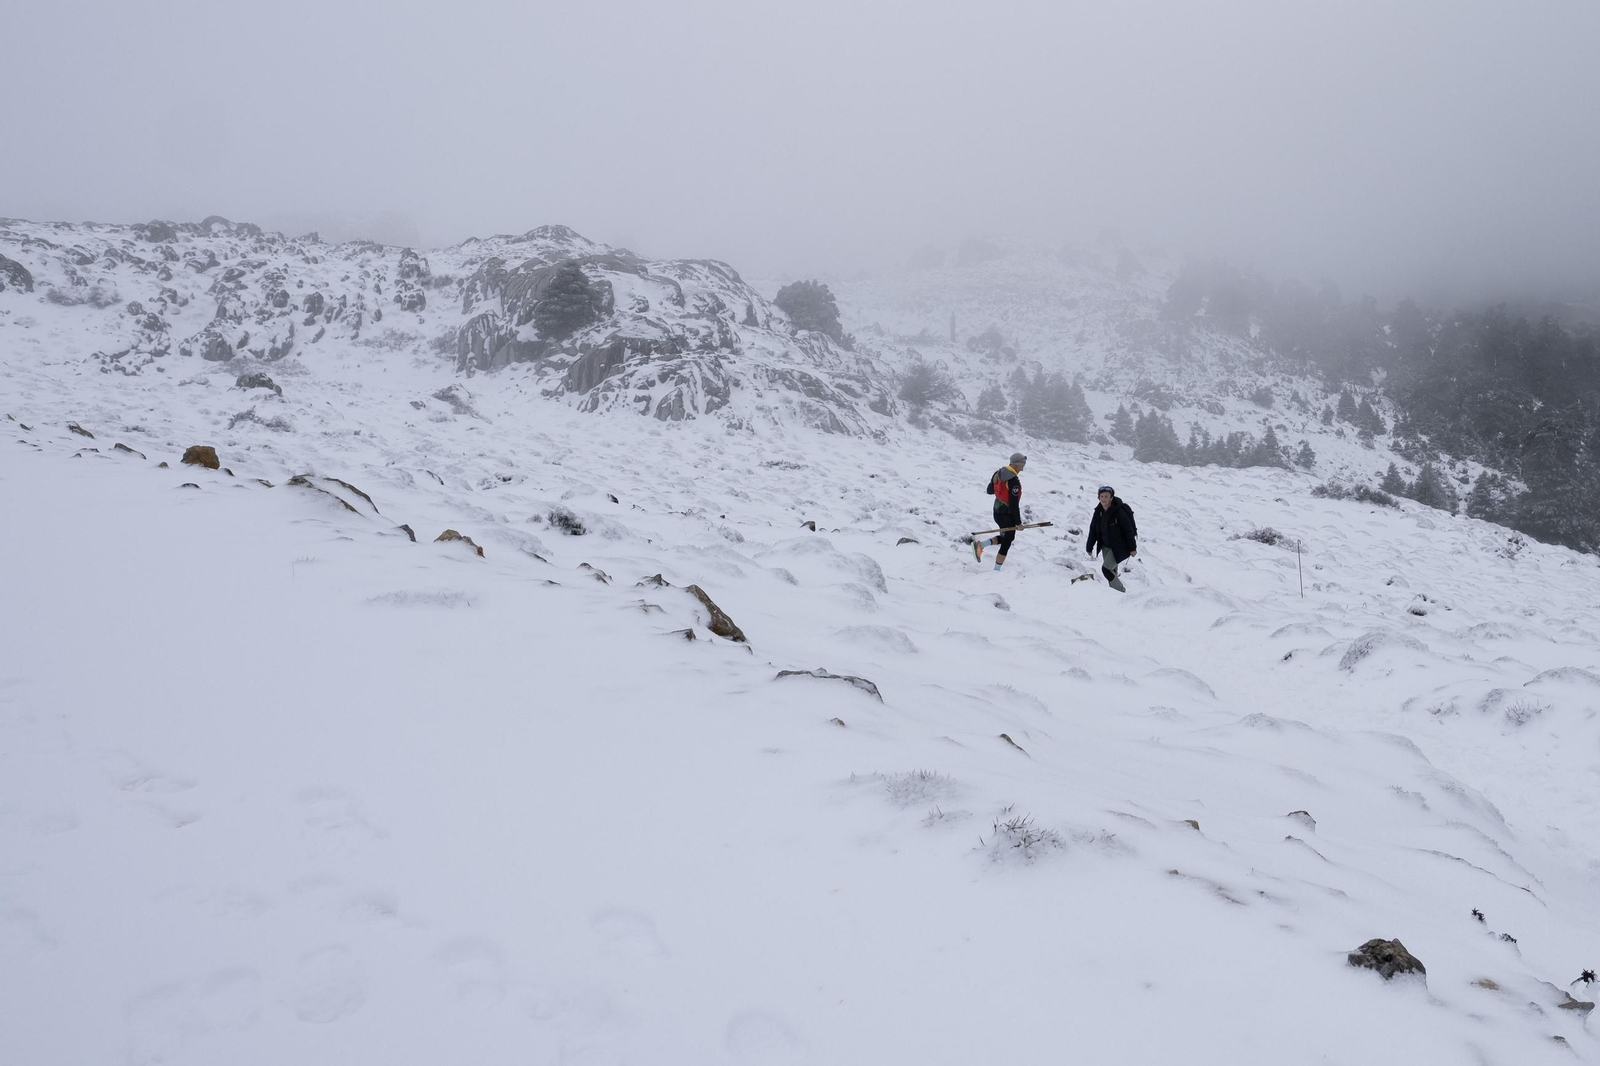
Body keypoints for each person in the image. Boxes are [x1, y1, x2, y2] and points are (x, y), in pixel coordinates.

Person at [974, 452, 1027, 571]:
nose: (1023, 468)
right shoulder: (1013, 481)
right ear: (1017, 465)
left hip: (997, 511)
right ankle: (996, 571)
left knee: (1007, 537)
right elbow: (1014, 504)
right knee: (1007, 542)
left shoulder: (998, 473)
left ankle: (980, 546)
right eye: (1022, 465)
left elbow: (989, 490)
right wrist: (1018, 523)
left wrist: (1000, 490)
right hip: (1007, 514)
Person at [1084, 485, 1137, 592]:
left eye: (1106, 496)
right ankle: (1114, 594)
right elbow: (1093, 530)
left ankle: (1121, 591)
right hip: (1105, 545)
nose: (1103, 499)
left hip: (1120, 546)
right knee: (1112, 570)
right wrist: (1089, 547)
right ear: (1098, 497)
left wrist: (1132, 548)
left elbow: (1128, 531)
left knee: (1106, 570)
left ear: (1111, 498)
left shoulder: (1119, 513)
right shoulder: (1098, 511)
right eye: (1101, 496)